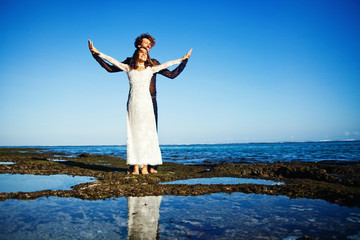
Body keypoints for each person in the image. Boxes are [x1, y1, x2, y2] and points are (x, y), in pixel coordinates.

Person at [88, 40, 192, 174]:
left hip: (148, 102)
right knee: (133, 133)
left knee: (149, 133)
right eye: (143, 47)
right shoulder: (128, 66)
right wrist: (96, 53)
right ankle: (135, 166)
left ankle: (148, 166)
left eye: (148, 47)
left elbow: (168, 67)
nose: (146, 49)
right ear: (137, 48)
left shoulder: (152, 66)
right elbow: (112, 62)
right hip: (133, 102)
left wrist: (183, 60)